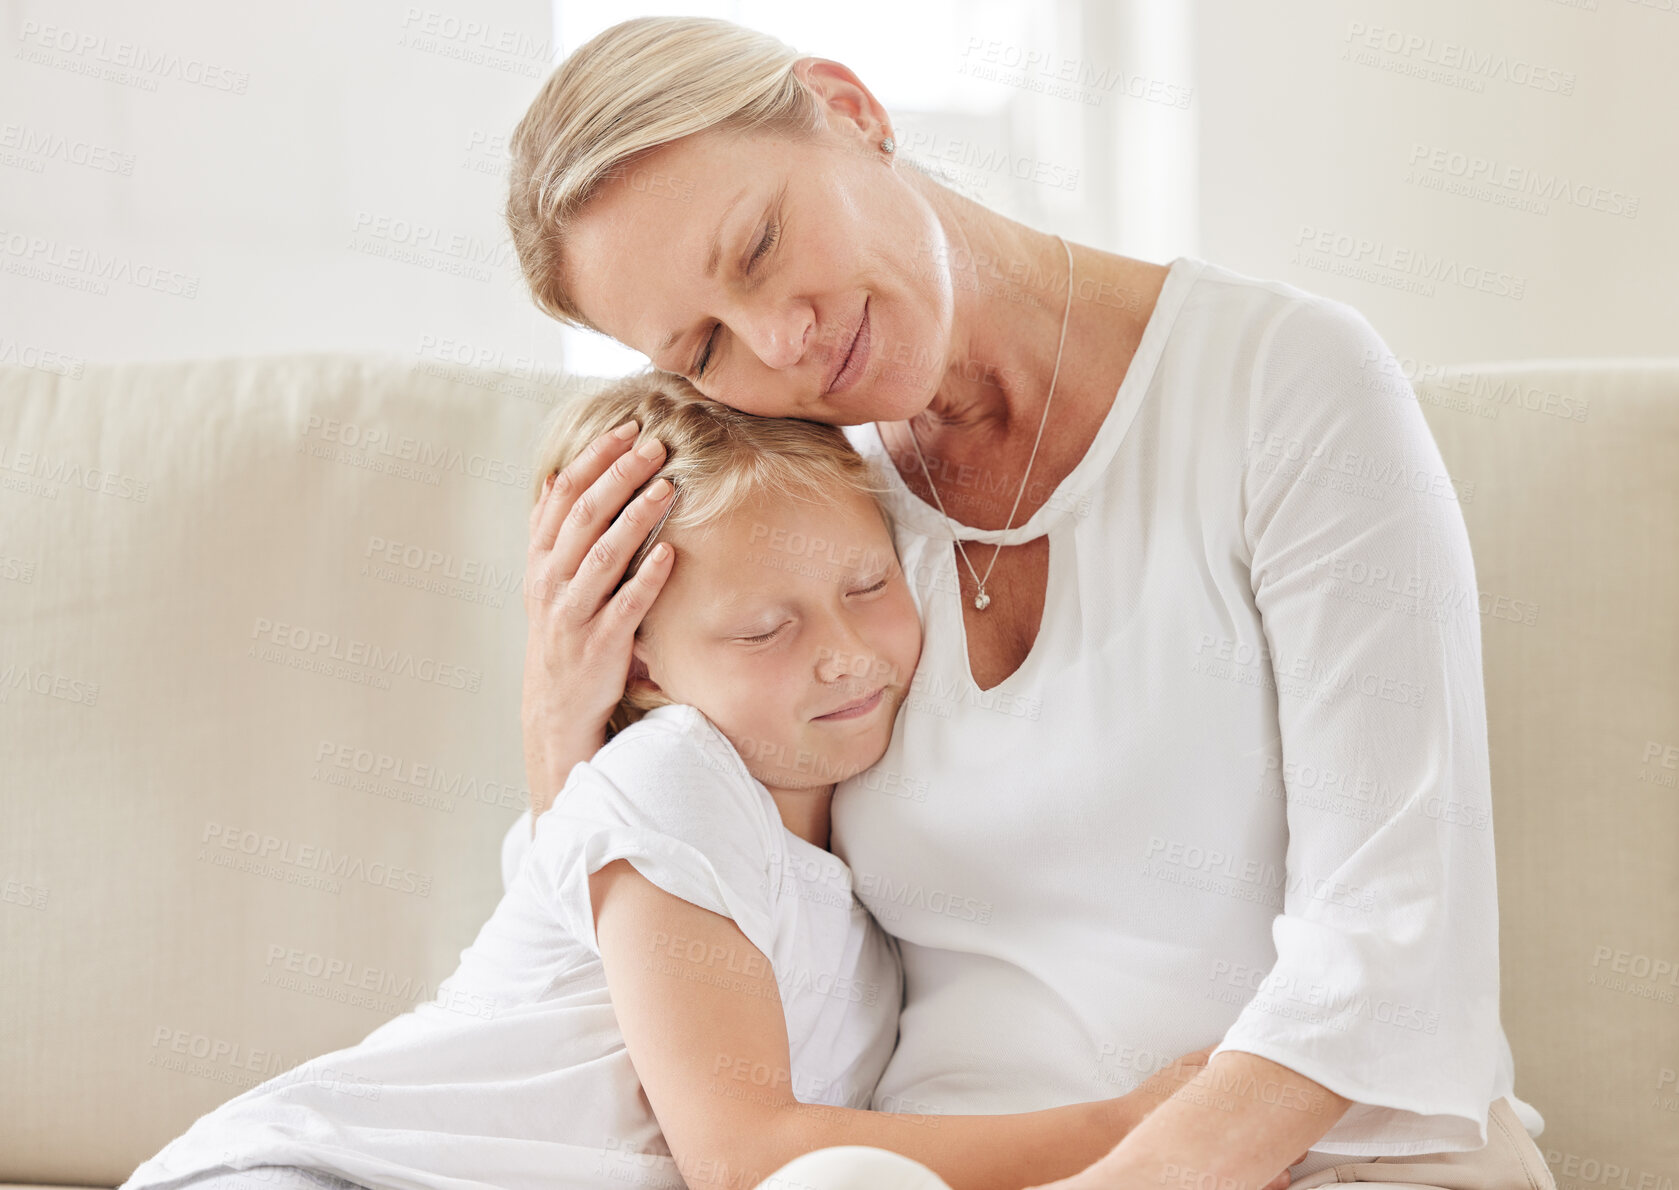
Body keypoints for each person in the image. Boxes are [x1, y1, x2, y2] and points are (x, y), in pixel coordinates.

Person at [498, 16, 1559, 1190]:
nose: (779, 342)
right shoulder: (806, 523)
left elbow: (1389, 936)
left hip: (1329, 1154)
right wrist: (564, 720)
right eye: (703, 346)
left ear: (848, 110)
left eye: (757, 246)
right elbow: (703, 921)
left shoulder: (1283, 382)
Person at [118, 372, 1258, 1190]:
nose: (844, 652)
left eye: (868, 583)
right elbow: (740, 1154)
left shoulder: (866, 879)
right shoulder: (671, 778)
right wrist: (1130, 1128)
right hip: (325, 1166)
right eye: (762, 628)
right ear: (640, 659)